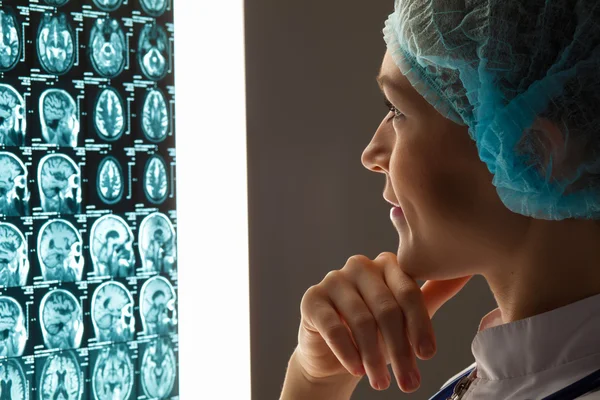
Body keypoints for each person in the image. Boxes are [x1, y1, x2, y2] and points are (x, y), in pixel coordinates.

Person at [280, 0, 600, 398]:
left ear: (537, 153)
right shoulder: (508, 372)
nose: (371, 155)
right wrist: (317, 379)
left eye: (396, 110)